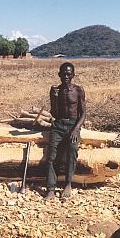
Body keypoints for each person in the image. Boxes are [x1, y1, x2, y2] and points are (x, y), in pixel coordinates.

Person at [44, 62, 86, 199]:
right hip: (58, 125)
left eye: (69, 74)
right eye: (63, 74)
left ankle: (68, 183)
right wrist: (53, 98)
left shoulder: (78, 90)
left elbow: (83, 113)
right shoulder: (57, 90)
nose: (66, 76)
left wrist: (75, 129)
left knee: (72, 149)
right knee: (51, 155)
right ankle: (51, 188)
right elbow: (55, 114)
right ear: (59, 75)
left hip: (73, 125)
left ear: (73, 75)